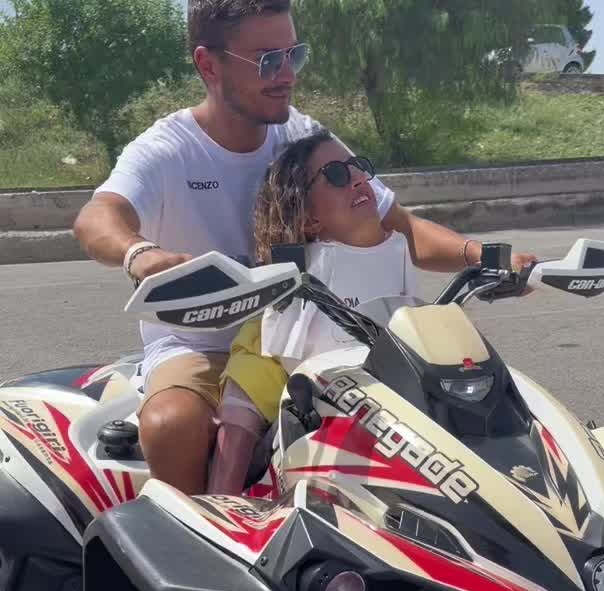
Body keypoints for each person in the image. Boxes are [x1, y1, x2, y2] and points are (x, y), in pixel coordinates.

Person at [74, 0, 536, 495]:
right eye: (267, 60)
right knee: (173, 422)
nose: (287, 74)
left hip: (319, 332)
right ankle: (197, 527)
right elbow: (97, 217)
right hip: (205, 344)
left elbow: (401, 226)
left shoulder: (304, 136)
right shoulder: (167, 150)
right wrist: (139, 253)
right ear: (209, 64)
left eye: (293, 55)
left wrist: (484, 256)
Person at [209, 130, 416, 494]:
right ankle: (219, 503)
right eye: (336, 175)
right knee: (245, 399)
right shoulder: (293, 283)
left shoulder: (398, 248)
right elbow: (284, 345)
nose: (357, 179)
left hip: (376, 365)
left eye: (358, 167)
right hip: (283, 356)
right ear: (308, 220)